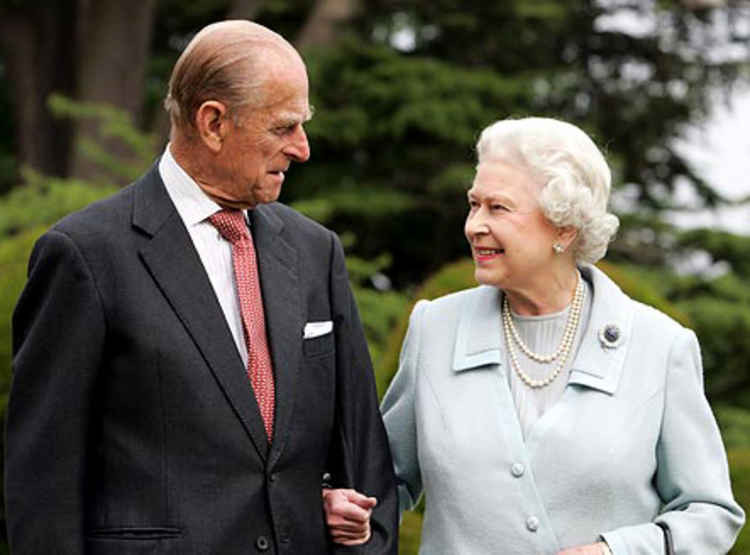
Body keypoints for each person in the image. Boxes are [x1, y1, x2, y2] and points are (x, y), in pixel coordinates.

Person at [6, 20, 397, 554]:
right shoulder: (84, 255)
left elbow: (364, 458)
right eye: (284, 128)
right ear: (213, 122)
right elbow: (43, 485)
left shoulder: (315, 251)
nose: (302, 149)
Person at [324, 117, 745, 553]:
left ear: (563, 227)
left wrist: (616, 551)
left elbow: (710, 513)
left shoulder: (661, 346)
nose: (474, 225)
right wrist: (347, 506)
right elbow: (380, 481)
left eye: (498, 208)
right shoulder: (434, 329)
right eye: (474, 204)